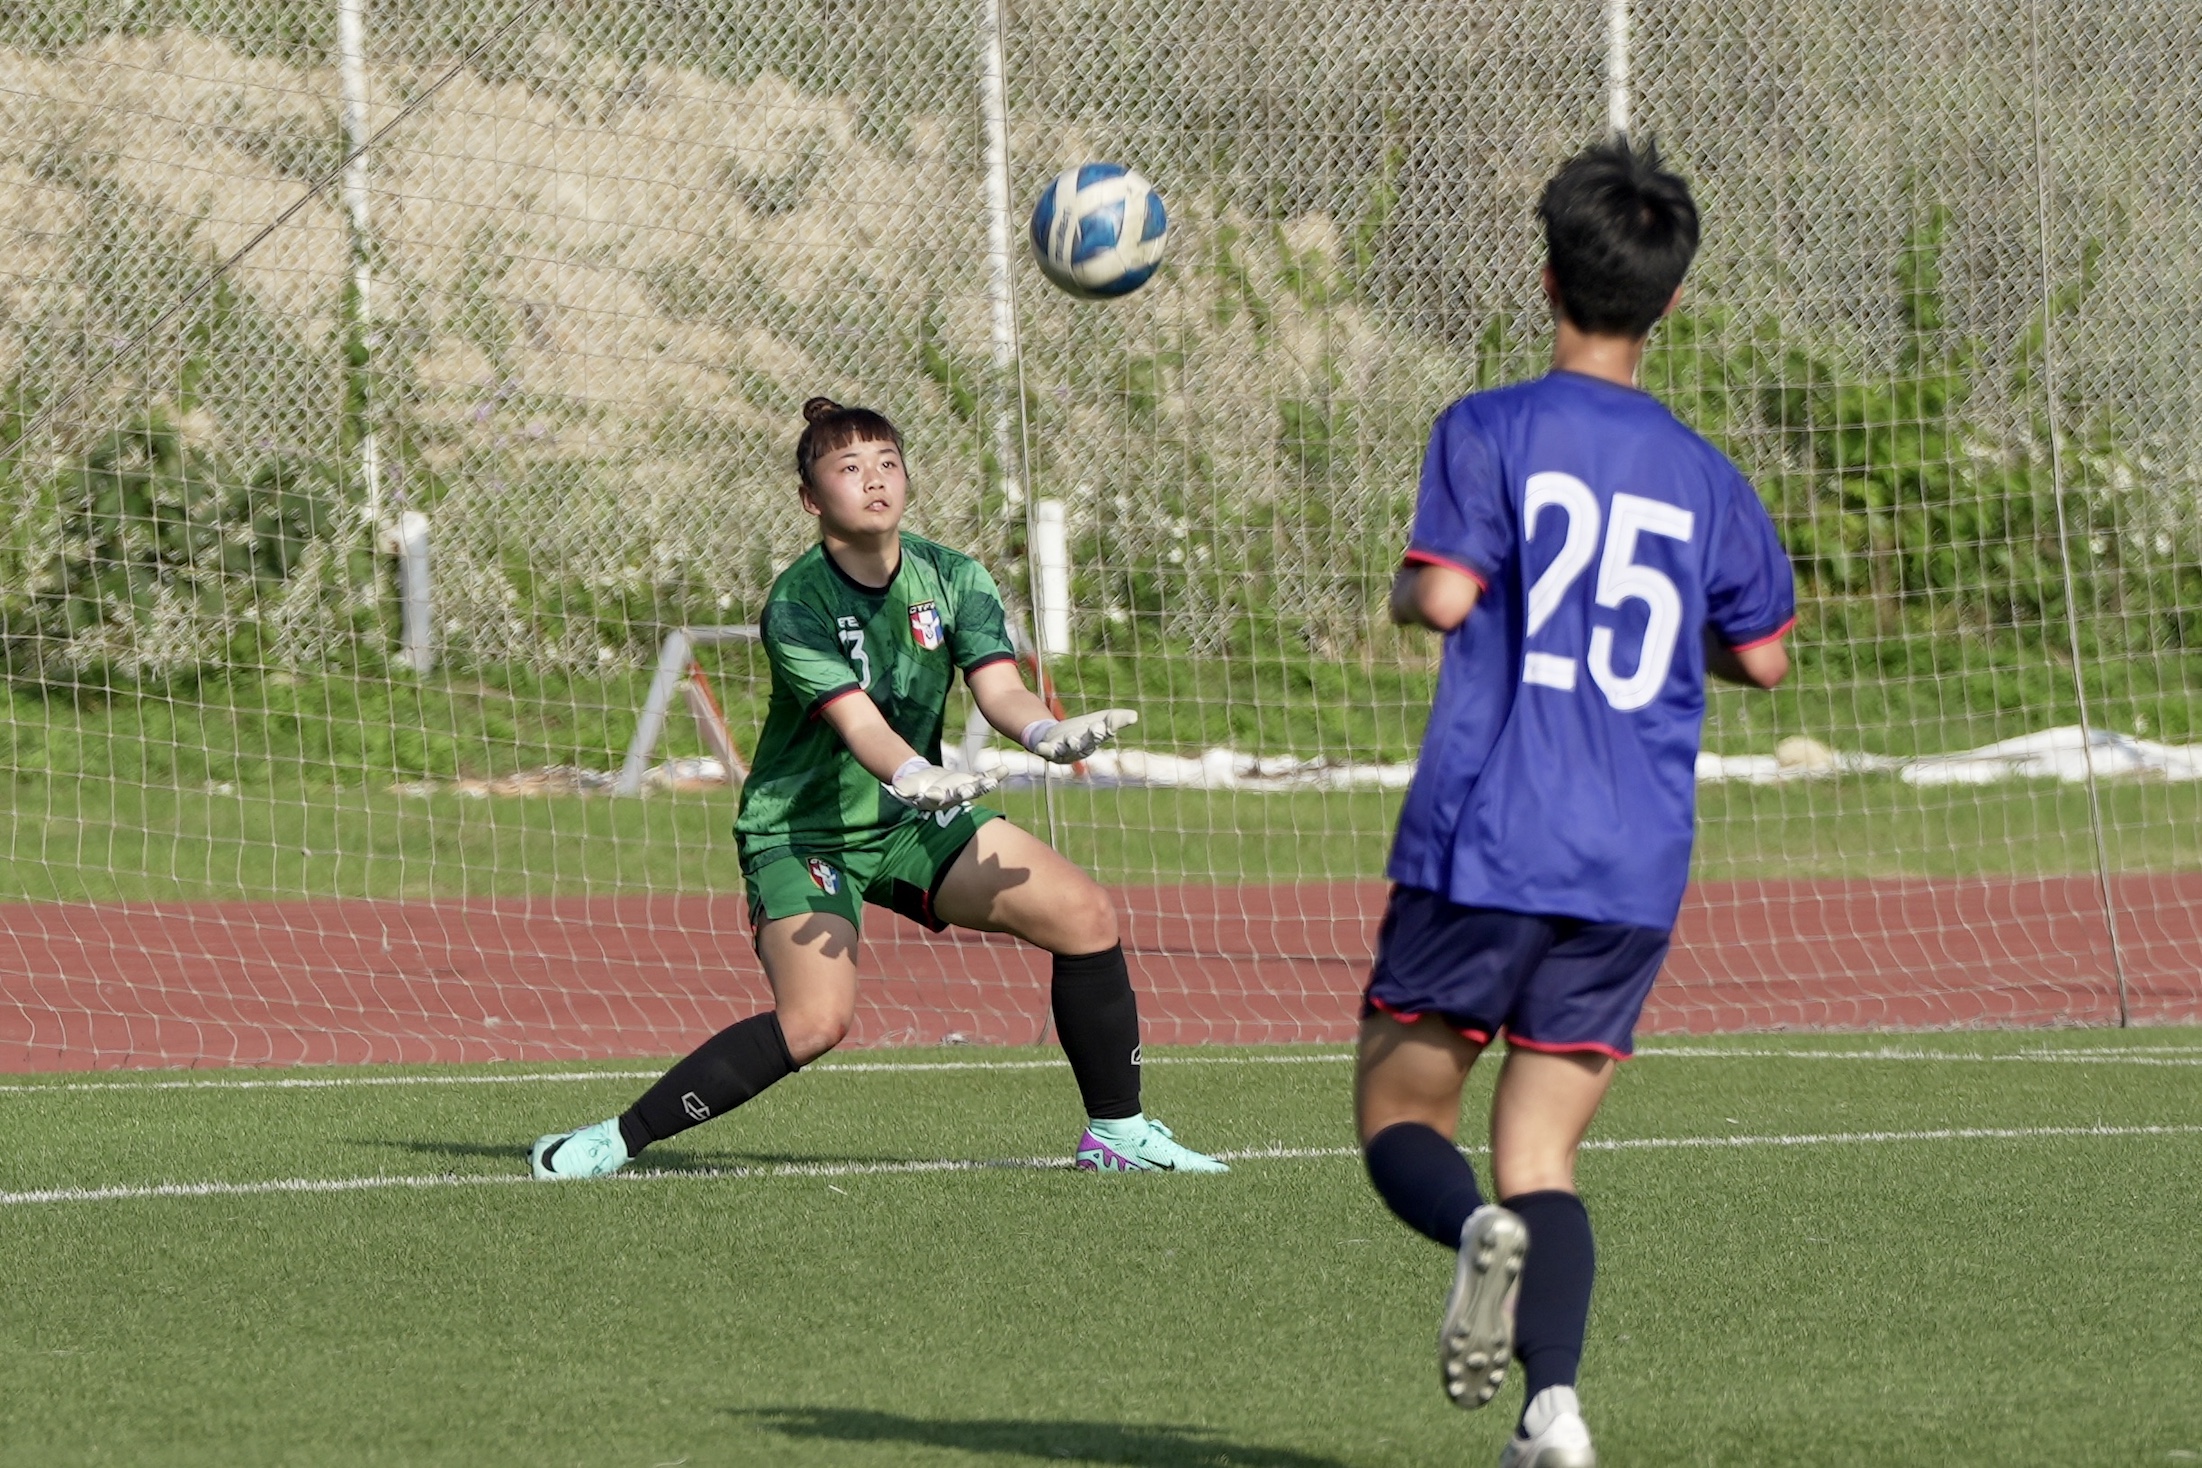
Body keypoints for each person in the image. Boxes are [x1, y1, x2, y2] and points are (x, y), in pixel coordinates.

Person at [1356, 135, 1795, 1468]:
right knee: (1540, 1156)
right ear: (1669, 301)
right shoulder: (1706, 475)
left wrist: (1401, 591)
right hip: (1631, 863)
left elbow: (1441, 595)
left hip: (1491, 838)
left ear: (1544, 276)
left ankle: (1464, 1235)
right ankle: (1553, 1411)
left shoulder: (1487, 427)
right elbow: (1764, 657)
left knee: (1399, 1118)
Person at [531, 397, 1226, 1179]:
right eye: (849, 467)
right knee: (816, 1022)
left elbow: (999, 691)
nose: (874, 480)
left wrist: (1042, 733)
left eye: (888, 463)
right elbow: (859, 727)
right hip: (804, 831)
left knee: (1084, 914)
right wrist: (914, 773)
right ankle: (616, 1139)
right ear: (810, 498)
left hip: (910, 819)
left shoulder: (954, 576)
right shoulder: (799, 602)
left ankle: (1118, 1133)